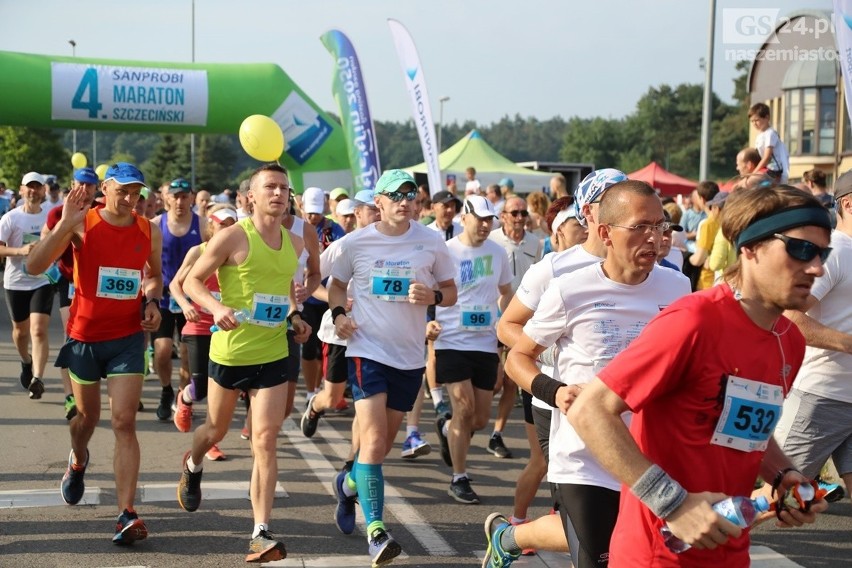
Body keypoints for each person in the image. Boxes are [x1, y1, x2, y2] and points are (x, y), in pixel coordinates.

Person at [564, 184, 831, 567]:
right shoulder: (693, 321)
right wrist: (671, 503)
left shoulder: (790, 341)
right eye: (800, 249)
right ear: (750, 249)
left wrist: (783, 474)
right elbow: (590, 410)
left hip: (730, 551)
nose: (816, 267)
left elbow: (744, 430)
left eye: (822, 253)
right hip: (657, 554)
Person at [489, 180, 690, 568]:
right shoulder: (569, 288)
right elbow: (517, 357)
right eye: (640, 227)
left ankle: (510, 538)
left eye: (660, 226)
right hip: (584, 459)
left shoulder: (678, 287)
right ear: (604, 233)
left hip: (650, 456)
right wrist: (554, 391)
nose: (654, 237)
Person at [177, 163, 310, 563]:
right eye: (270, 186)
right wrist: (216, 307)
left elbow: (283, 285)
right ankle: (193, 460)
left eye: (284, 188)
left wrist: (294, 316)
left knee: (266, 440)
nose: (278, 193)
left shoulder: (293, 243)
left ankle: (260, 532)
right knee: (215, 429)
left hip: (272, 352)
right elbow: (192, 281)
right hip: (231, 353)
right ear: (250, 196)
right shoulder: (233, 236)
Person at [27, 162, 163, 545]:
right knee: (86, 421)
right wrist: (64, 223)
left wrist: (152, 300)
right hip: (84, 337)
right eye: (122, 190)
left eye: (136, 192)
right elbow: (36, 264)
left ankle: (126, 513)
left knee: (124, 422)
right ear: (105, 187)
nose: (130, 198)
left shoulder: (147, 230)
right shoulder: (82, 222)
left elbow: (153, 275)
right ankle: (78, 459)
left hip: (127, 338)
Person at [328, 169, 457, 566]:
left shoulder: (432, 241)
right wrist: (337, 315)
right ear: (378, 203)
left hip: (408, 357)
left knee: (380, 446)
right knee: (372, 440)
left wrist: (432, 294)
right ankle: (377, 532)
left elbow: (451, 292)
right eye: (395, 195)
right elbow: (334, 284)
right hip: (366, 351)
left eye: (410, 195)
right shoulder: (355, 243)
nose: (404, 202)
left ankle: (349, 484)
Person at [767, 171, 852, 503]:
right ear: (848, 203)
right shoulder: (836, 252)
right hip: (823, 397)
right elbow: (791, 317)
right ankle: (689, 544)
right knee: (774, 496)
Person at [433, 196, 513, 504]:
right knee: (463, 408)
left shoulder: (498, 252)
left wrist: (505, 322)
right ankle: (459, 478)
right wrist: (429, 323)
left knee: (478, 420)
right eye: (479, 218)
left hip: (484, 342)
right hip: (451, 339)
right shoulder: (446, 251)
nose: (485, 224)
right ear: (464, 217)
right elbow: (429, 289)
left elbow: (506, 292)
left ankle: (446, 425)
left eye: (489, 219)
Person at [301, 190, 380, 437]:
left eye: (380, 208)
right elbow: (311, 280)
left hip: (372, 334)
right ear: (357, 213)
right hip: (339, 334)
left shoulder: (392, 247)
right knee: (333, 397)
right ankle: (315, 406)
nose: (378, 214)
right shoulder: (343, 245)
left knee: (366, 404)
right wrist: (336, 302)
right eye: (372, 209)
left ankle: (352, 462)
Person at [168, 204, 238, 461]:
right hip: (198, 326)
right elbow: (176, 284)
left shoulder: (241, 253)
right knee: (201, 387)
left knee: (218, 385)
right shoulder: (198, 251)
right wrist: (186, 305)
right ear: (211, 226)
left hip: (227, 326)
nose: (227, 228)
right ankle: (185, 398)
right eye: (222, 224)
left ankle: (210, 441)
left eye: (232, 223)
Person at [41, 167, 101, 420]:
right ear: (72, 184)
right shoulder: (57, 212)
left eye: (89, 185)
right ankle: (69, 396)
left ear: (97, 188)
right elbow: (45, 242)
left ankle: (96, 388)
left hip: (97, 285)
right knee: (71, 336)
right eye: (80, 184)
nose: (84, 190)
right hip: (69, 281)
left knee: (97, 339)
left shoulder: (102, 212)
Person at [487, 195, 544, 459]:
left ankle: (497, 434)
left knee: (512, 380)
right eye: (515, 213)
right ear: (503, 216)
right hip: (491, 319)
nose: (520, 218)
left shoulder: (536, 243)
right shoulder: (492, 241)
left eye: (523, 213)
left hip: (522, 321)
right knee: (495, 382)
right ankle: (470, 421)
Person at [151, 177, 204, 422]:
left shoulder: (202, 225)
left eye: (184, 196)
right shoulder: (155, 224)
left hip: (191, 300)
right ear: (167, 198)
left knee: (185, 354)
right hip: (162, 298)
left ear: (191, 198)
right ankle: (165, 390)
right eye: (175, 196)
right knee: (162, 352)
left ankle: (182, 396)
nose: (180, 201)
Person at [0, 171, 55, 400]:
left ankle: (38, 378)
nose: (33, 191)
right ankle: (26, 361)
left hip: (42, 280)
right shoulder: (10, 218)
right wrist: (20, 251)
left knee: (38, 330)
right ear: (21, 190)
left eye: (37, 187)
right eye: (29, 187)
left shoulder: (50, 218)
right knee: (20, 332)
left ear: (43, 191)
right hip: (16, 282)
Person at [689, 186, 724, 290]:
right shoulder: (729, 223)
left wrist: (686, 257)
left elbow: (699, 259)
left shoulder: (707, 224)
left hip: (707, 281)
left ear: (702, 199)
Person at [749, 102, 790, 183]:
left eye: (757, 120)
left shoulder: (770, 133)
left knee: (751, 183)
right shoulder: (760, 136)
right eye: (752, 121)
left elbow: (767, 157)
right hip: (766, 169)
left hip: (774, 170)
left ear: (767, 117)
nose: (754, 124)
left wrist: (754, 173)